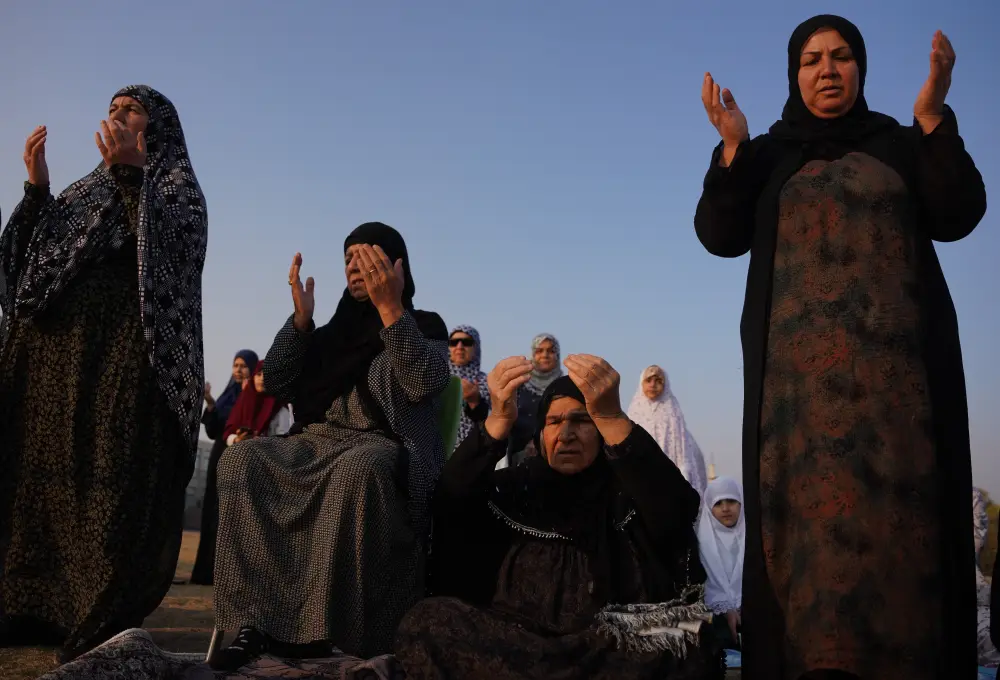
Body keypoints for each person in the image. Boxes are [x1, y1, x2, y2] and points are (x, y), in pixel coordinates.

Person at [695, 15, 985, 680]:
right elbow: (718, 233)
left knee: (902, 561)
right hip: (793, 414)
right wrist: (733, 150)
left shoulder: (898, 144)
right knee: (804, 563)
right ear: (794, 75)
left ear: (860, 69)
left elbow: (960, 211)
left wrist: (934, 117)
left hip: (897, 408)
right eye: (813, 60)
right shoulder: (769, 152)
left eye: (843, 56)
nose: (828, 70)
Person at [0, 85, 207, 662]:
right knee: (40, 481)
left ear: (157, 125)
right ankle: (30, 608)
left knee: (108, 480)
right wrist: (37, 191)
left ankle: (98, 619)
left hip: (120, 360)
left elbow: (174, 263)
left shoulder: (176, 188)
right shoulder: (84, 189)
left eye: (132, 109)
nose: (118, 115)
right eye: (113, 108)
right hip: (53, 366)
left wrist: (135, 179)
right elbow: (25, 266)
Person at [211, 222, 449, 669]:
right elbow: (276, 382)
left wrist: (390, 309)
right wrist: (300, 323)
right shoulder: (327, 335)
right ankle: (251, 622)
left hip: (382, 445)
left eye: (370, 257)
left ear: (397, 266)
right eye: (349, 259)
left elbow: (425, 382)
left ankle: (334, 631)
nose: (356, 267)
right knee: (241, 460)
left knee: (360, 471)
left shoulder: (424, 325)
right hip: (314, 444)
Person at [396, 356, 721, 679]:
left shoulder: (628, 492)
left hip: (607, 645)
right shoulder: (515, 488)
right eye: (553, 422)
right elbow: (451, 498)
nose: (566, 434)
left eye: (581, 420)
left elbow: (678, 511)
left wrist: (611, 416)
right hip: (516, 641)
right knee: (426, 622)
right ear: (539, 434)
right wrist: (497, 420)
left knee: (687, 641)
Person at [190, 349, 258, 586]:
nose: (238, 370)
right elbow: (212, 430)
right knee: (212, 511)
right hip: (219, 455)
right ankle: (204, 572)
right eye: (235, 365)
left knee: (232, 513)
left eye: (244, 366)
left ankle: (228, 573)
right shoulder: (228, 395)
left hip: (240, 457)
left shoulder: (254, 396)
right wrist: (210, 403)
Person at [626, 365, 708, 495]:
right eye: (648, 380)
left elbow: (681, 447)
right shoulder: (634, 412)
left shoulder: (672, 411)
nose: (653, 384)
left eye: (658, 381)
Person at [696, 477, 744, 651]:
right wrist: (725, 608)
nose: (725, 509)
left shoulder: (755, 538)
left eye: (731, 501)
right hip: (714, 618)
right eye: (718, 503)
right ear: (709, 508)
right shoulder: (701, 543)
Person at [508, 333, 562, 462]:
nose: (545, 355)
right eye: (539, 351)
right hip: (518, 458)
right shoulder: (519, 385)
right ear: (532, 355)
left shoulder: (564, 386)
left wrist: (540, 442)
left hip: (555, 455)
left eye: (551, 351)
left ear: (557, 356)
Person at [222, 362, 291, 445]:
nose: (262, 379)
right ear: (253, 378)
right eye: (258, 374)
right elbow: (228, 433)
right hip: (239, 454)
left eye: (267, 376)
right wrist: (237, 439)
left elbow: (284, 442)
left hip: (266, 456)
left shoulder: (280, 407)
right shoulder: (243, 402)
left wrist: (261, 442)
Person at [448, 325, 490, 449]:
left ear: (475, 347)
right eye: (454, 343)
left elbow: (490, 421)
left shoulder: (485, 381)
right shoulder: (436, 377)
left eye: (466, 342)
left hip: (472, 450)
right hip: (437, 450)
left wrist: (474, 400)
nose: (459, 347)